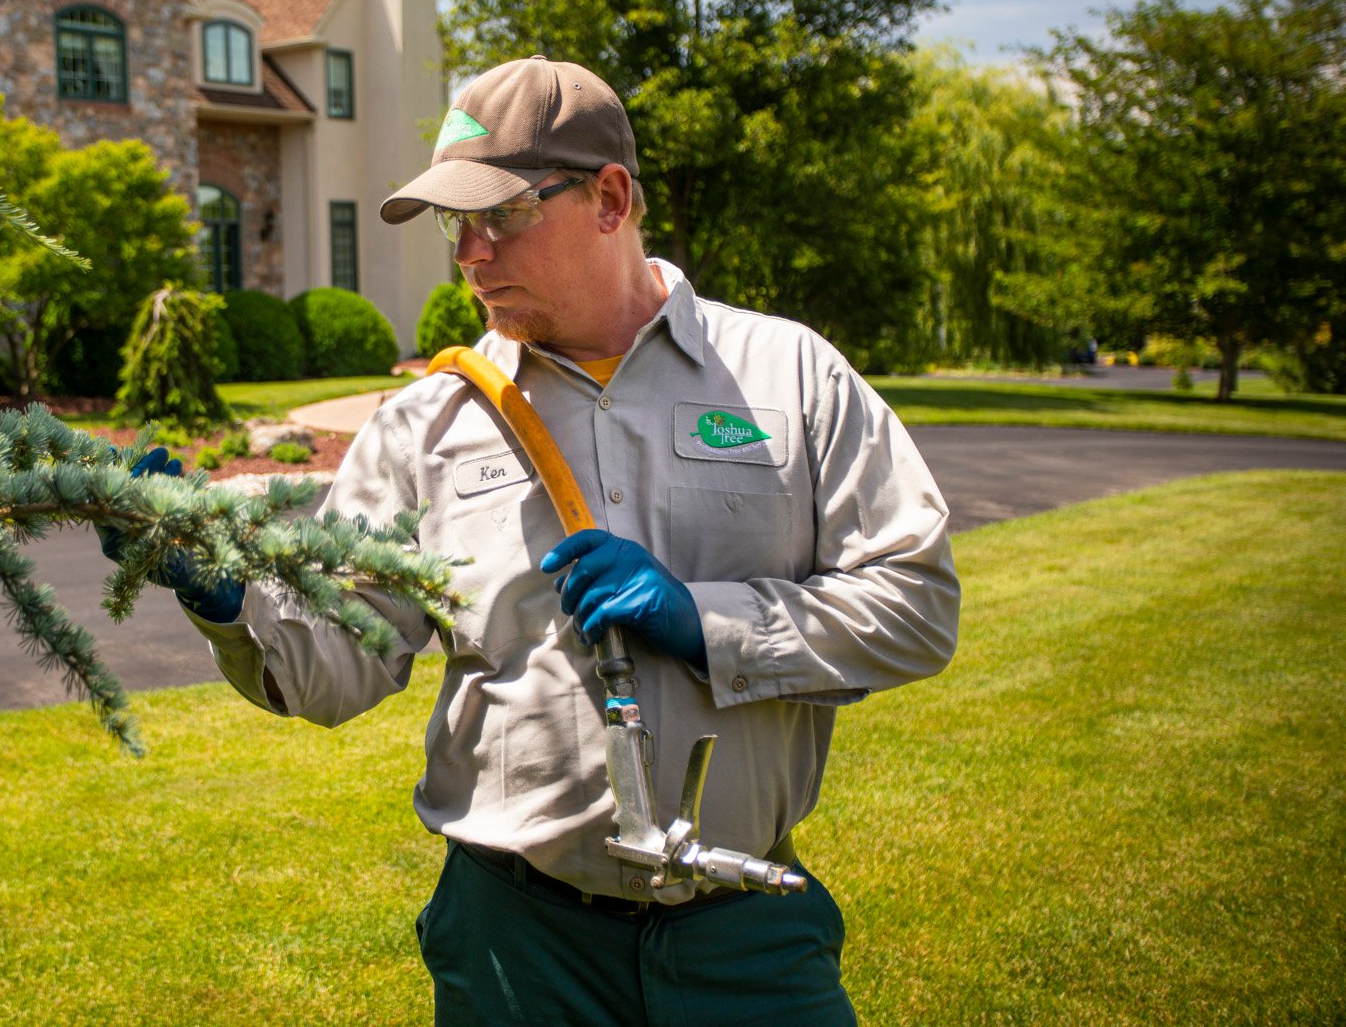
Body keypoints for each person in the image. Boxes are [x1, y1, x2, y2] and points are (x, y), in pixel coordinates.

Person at [110, 55, 960, 1026]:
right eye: (450, 223)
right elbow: (338, 659)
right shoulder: (427, 424)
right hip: (519, 947)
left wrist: (704, 618)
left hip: (745, 942)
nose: (468, 253)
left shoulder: (786, 377)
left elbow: (917, 602)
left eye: (499, 214)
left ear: (610, 197)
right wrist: (227, 595)